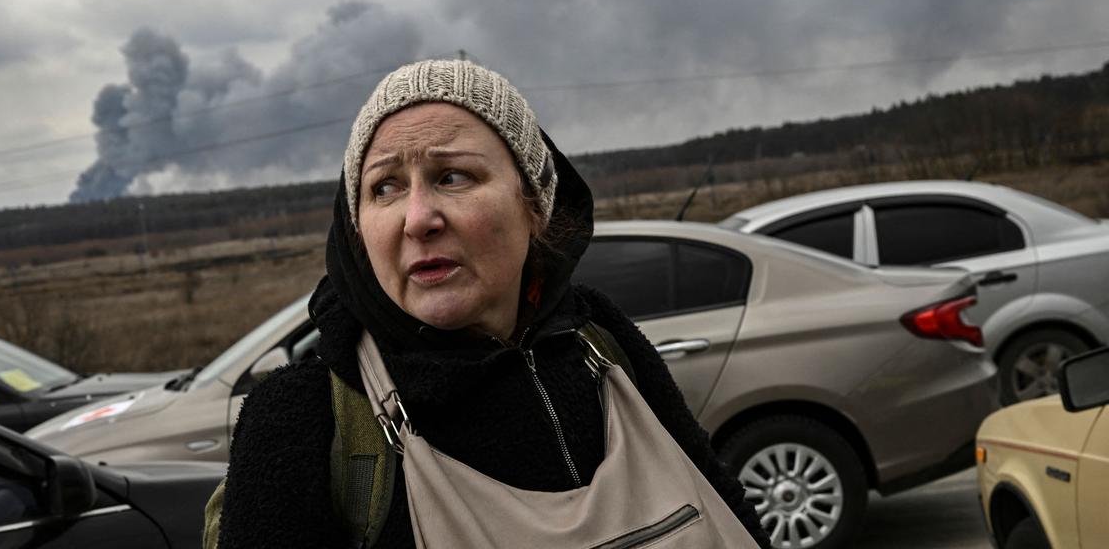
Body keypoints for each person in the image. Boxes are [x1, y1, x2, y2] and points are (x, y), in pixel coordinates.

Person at [218, 59, 770, 548]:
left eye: (452, 176)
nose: (417, 219)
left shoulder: (600, 342)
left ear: (534, 204)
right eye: (384, 187)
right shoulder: (303, 418)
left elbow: (730, 513)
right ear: (357, 228)